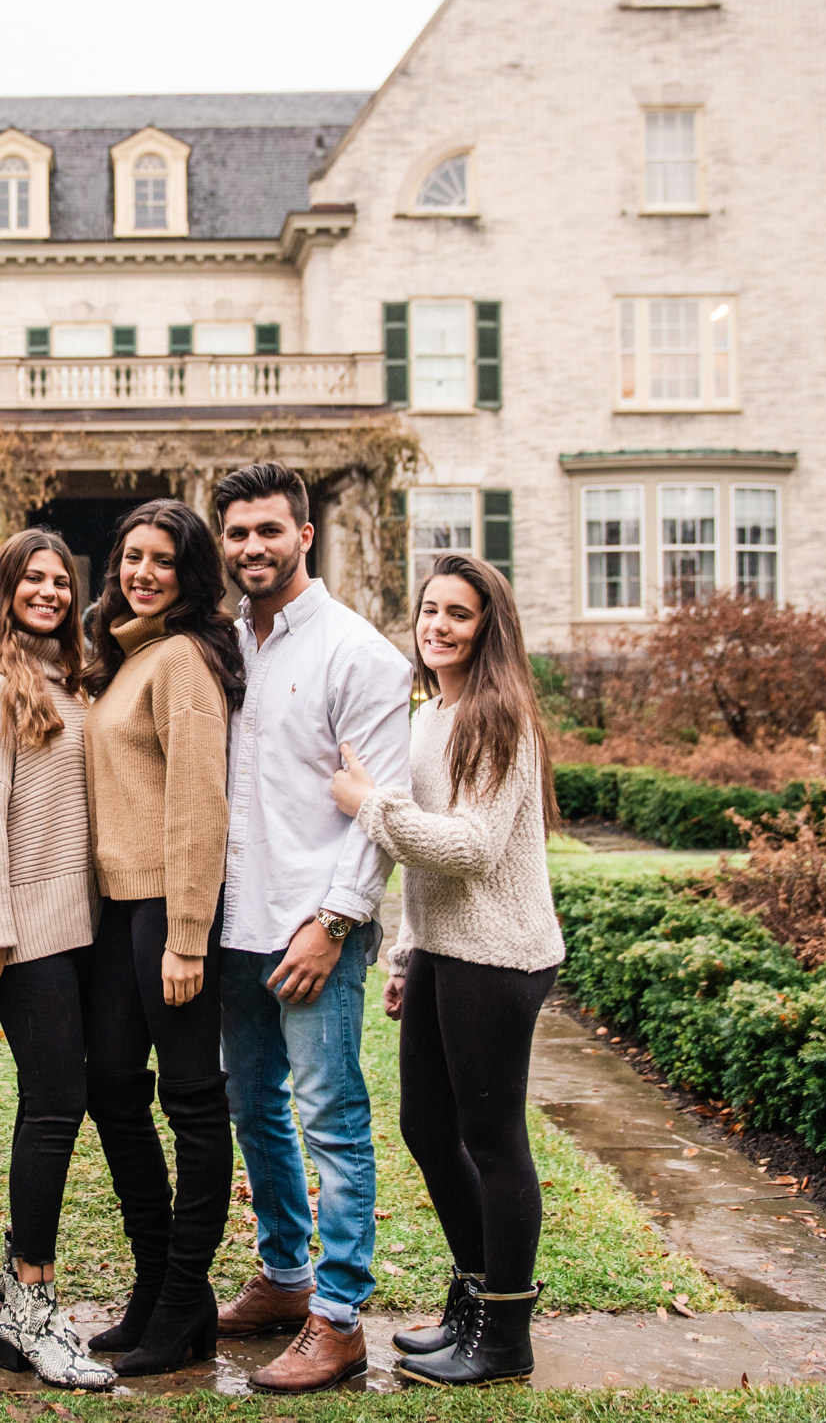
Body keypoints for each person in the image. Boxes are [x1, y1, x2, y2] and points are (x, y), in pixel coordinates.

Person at [331, 552, 565, 1388]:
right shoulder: (430, 714)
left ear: (487, 625)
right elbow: (426, 866)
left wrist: (371, 808)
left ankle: (506, 1335)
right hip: (442, 950)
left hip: (498, 956)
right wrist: (406, 954)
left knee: (493, 1141)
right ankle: (474, 1299)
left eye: (458, 614)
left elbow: (470, 848)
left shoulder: (497, 718)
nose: (437, 625)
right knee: (427, 1130)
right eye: (430, 610)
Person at [208, 462, 413, 1394]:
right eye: (238, 532)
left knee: (331, 1115)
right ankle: (286, 1280)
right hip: (237, 924)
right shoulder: (223, 645)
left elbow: (385, 808)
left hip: (313, 931)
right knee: (253, 1107)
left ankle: (339, 1318)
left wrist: (335, 923)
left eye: (269, 531)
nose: (253, 547)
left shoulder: (358, 653)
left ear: (304, 536)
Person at [0, 528, 112, 1390]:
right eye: (31, 579)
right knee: (55, 1103)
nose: (47, 591)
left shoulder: (75, 679)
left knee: (70, 1100)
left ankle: (27, 1304)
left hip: (90, 925)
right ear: (3, 589)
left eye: (59, 579)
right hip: (30, 933)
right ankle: (30, 1302)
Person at [77, 498, 239, 1377]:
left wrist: (187, 935)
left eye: (163, 560)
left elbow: (197, 803)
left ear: (190, 574)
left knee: (190, 1101)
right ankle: (156, 1284)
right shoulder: (130, 656)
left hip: (164, 915)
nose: (142, 571)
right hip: (116, 913)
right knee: (110, 1085)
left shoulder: (180, 660)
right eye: (132, 556)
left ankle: (182, 1300)